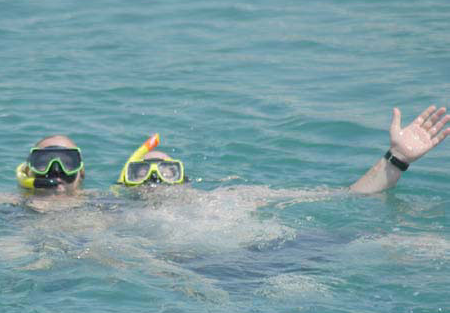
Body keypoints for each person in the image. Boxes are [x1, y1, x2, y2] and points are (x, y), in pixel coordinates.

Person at [117, 106, 450, 194]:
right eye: (141, 172)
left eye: (168, 170)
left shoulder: (229, 198)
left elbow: (348, 197)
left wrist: (398, 158)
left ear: (186, 182)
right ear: (125, 184)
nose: (155, 179)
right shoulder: (111, 217)